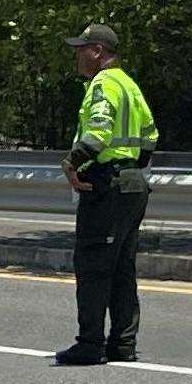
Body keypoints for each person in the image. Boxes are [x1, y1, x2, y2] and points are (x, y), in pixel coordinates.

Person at [55, 23, 158, 366]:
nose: (77, 56)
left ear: (97, 51)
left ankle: (89, 344)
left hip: (107, 184)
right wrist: (130, 165)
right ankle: (123, 344)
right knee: (122, 268)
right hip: (132, 184)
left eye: (81, 49)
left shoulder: (102, 84)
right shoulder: (129, 84)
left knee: (94, 265)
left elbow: (98, 132)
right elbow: (150, 136)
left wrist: (72, 163)